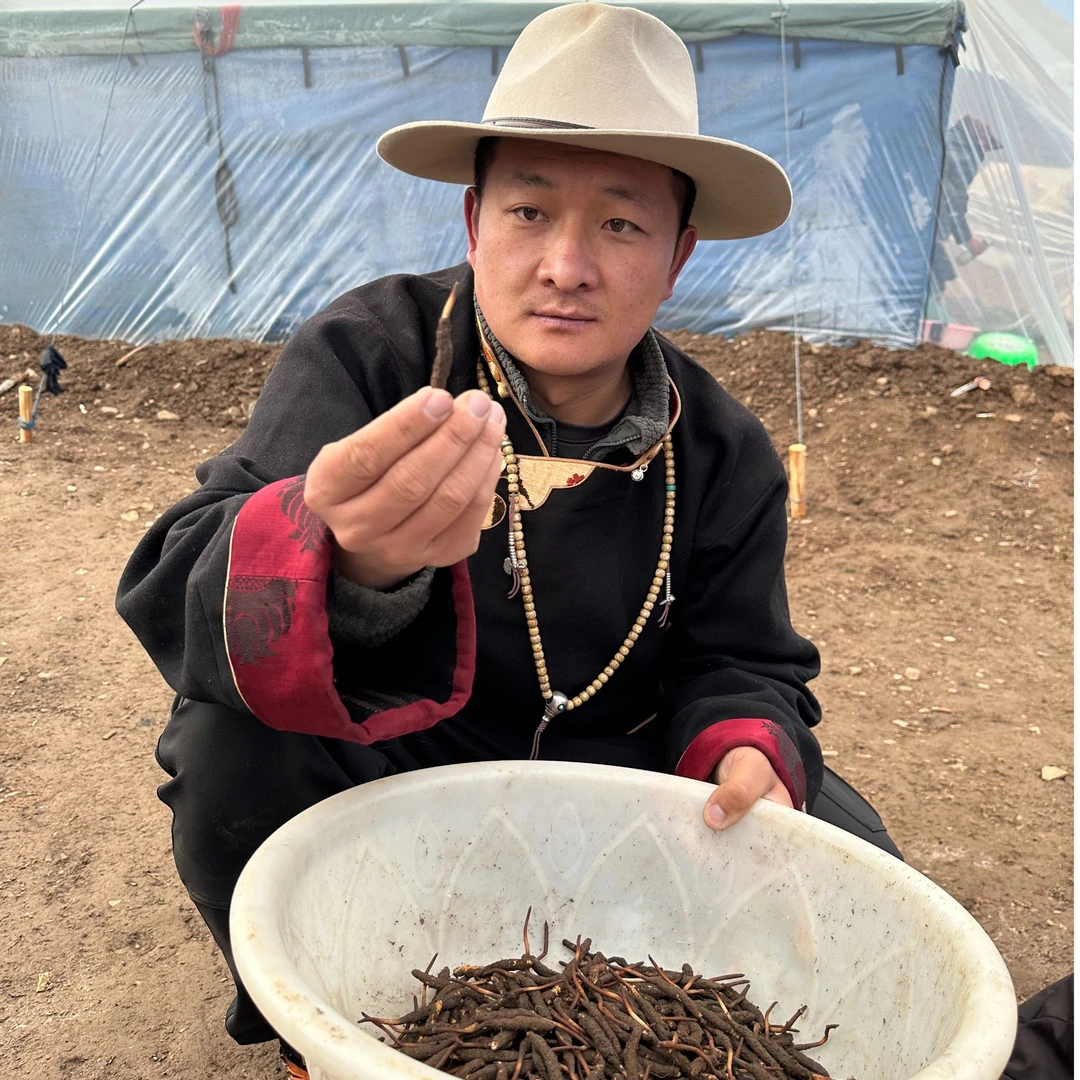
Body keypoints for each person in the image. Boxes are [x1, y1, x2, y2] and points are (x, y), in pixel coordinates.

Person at [116, 5, 900, 1074]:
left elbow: (745, 660)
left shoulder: (722, 448)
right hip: (392, 745)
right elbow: (174, 582)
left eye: (621, 225)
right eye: (530, 212)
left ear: (678, 257)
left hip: (612, 760)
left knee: (838, 846)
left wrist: (741, 743)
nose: (567, 265)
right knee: (227, 750)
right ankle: (318, 1031)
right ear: (476, 223)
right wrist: (337, 554)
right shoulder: (371, 359)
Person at [926, 114, 1003, 330]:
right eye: (986, 145)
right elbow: (951, 202)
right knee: (933, 274)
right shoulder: (961, 157)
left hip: (918, 225)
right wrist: (967, 241)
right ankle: (931, 325)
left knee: (930, 270)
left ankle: (928, 322)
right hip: (926, 230)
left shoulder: (945, 146)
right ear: (978, 141)